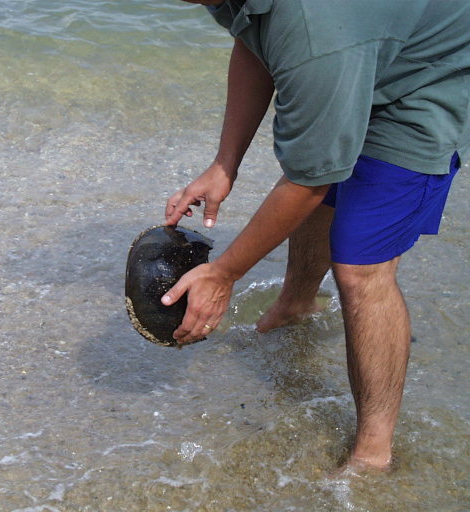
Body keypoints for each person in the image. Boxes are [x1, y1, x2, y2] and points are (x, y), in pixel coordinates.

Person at [161, 0, 470, 472]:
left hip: (428, 77)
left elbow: (309, 181)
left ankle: (374, 452)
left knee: (361, 269)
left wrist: (223, 274)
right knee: (323, 178)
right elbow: (255, 43)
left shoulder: (314, 32)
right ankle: (296, 305)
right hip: (359, 47)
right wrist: (225, 163)